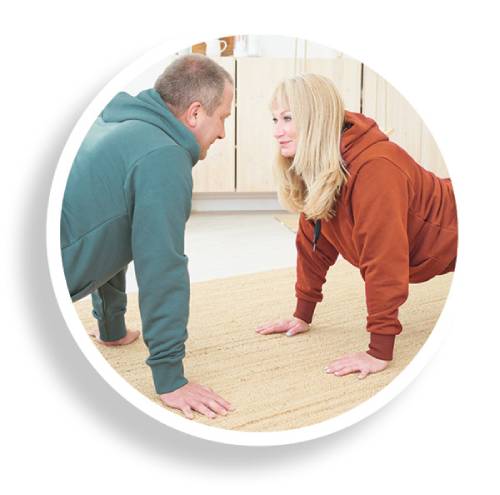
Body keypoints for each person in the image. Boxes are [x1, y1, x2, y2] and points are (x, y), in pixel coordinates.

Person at [61, 54, 234, 419]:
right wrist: (171, 378)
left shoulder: (121, 122)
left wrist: (111, 326)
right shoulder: (164, 157)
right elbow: (161, 268)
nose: (222, 133)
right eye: (223, 118)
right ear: (196, 113)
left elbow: (113, 229)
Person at [256, 73, 457, 379]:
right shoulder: (318, 165)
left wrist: (379, 351)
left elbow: (384, 260)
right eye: (275, 120)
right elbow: (314, 244)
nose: (277, 131)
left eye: (287, 118)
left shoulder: (375, 168)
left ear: (315, 120)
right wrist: (302, 314)